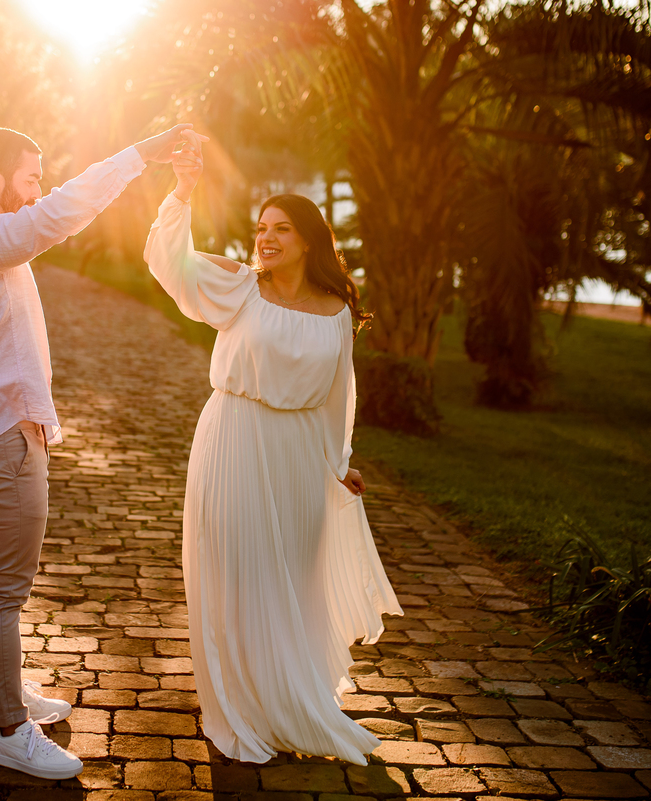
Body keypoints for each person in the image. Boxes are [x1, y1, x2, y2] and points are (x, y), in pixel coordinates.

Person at [0, 123, 197, 780]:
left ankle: (4, 698)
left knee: (3, 584)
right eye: (30, 177)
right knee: (3, 590)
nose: (37, 190)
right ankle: (10, 732)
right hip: (2, 438)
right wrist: (143, 152)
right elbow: (60, 213)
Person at [144, 136, 404, 765]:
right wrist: (184, 190)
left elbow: (338, 396)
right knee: (234, 574)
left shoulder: (336, 309)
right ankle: (238, 704)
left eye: (281, 228)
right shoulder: (240, 287)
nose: (266, 238)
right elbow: (170, 260)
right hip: (233, 437)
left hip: (299, 456)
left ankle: (289, 696)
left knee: (292, 577)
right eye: (261, 227)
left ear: (309, 240)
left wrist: (338, 466)